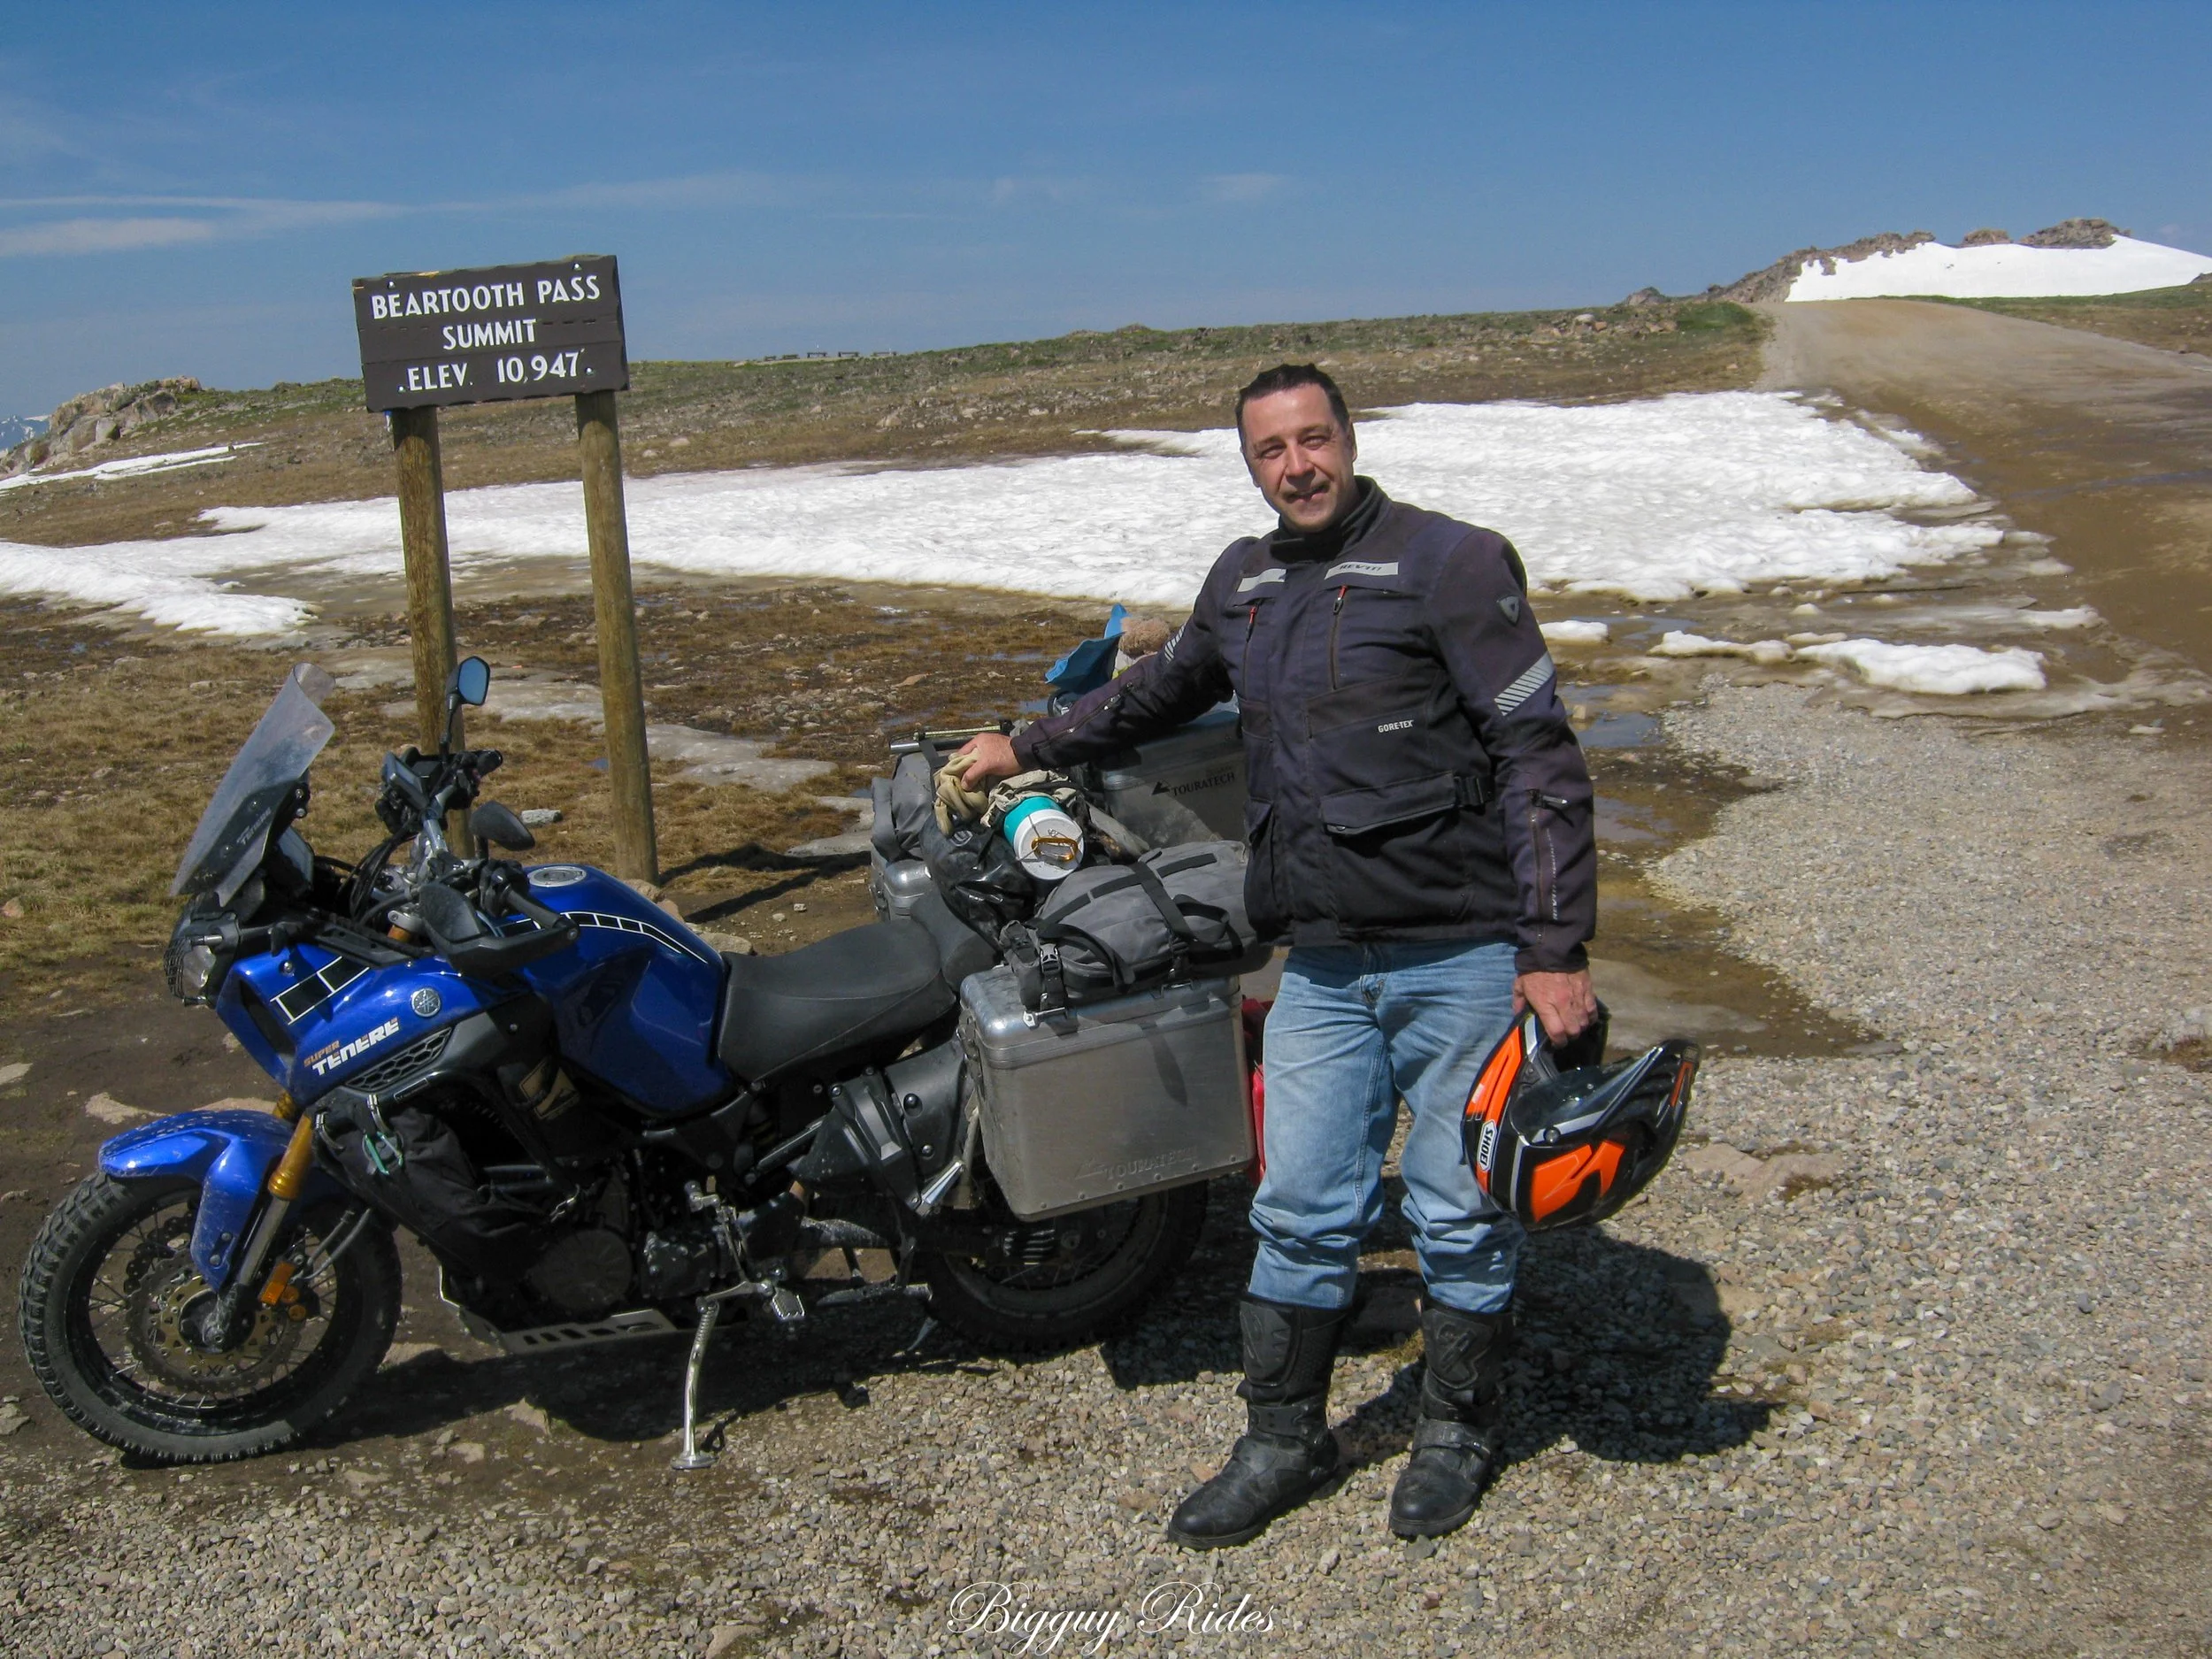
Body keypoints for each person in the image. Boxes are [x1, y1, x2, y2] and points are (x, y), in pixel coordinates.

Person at [954, 363, 1598, 1548]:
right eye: (1271, 451)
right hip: (1323, 963)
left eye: (1314, 439)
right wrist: (1027, 741)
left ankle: (1455, 1427)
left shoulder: (1448, 562)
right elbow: (1154, 693)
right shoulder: (1244, 583)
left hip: (1459, 953)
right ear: (1250, 464)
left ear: (1350, 439)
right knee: (1299, 1203)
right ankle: (1283, 1437)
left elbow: (1539, 758)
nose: (1298, 465)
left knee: (1457, 1207)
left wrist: (1554, 950)